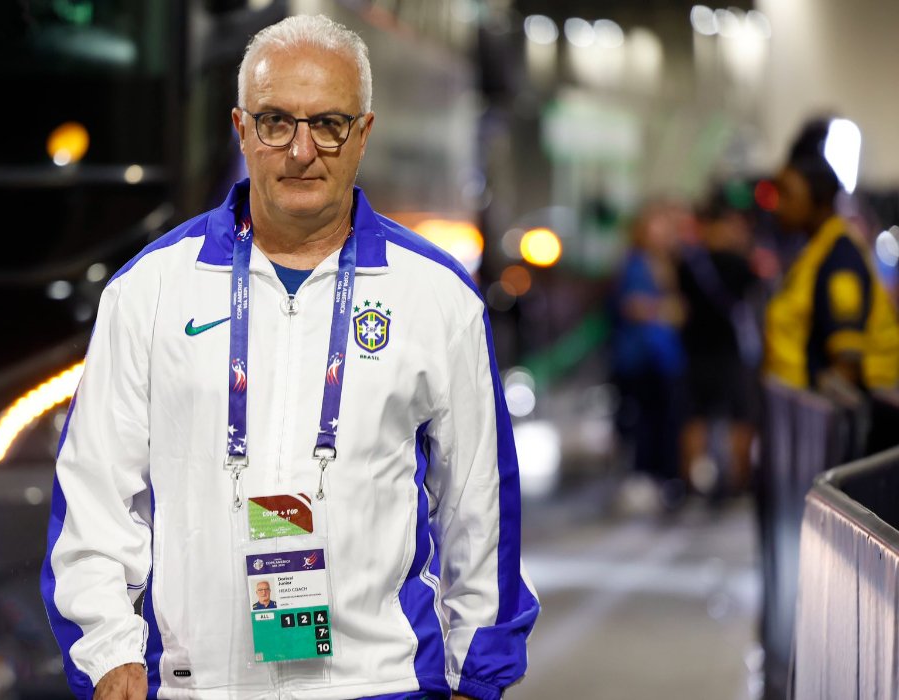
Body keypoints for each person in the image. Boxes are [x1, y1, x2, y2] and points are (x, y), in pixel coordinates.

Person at [41, 14, 538, 700]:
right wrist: (109, 655)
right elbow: (94, 496)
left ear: (363, 134)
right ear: (241, 129)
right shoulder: (151, 291)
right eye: (276, 122)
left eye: (329, 124)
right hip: (198, 687)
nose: (302, 150)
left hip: (378, 685)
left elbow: (479, 507)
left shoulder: (435, 297)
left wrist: (475, 678)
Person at [764, 153, 899, 412]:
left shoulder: (840, 257)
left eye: (789, 194)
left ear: (820, 200)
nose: (778, 205)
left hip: (838, 428)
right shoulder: (816, 251)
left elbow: (846, 368)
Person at [677, 186, 760, 497]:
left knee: (695, 417)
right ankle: (738, 482)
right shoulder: (738, 263)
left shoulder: (688, 264)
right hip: (729, 352)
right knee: (739, 417)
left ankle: (691, 482)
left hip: (694, 351)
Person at [610, 202, 687, 512]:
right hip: (641, 358)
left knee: (664, 421)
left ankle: (661, 478)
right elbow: (631, 305)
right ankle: (645, 480)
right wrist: (663, 310)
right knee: (644, 421)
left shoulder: (669, 263)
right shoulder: (637, 264)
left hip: (664, 358)